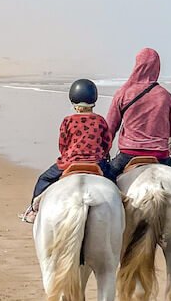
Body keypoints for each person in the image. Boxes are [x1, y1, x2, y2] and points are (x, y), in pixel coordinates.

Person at [21, 79, 112, 221]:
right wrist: (102, 154)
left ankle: (33, 211)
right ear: (94, 99)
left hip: (70, 163)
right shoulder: (100, 120)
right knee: (114, 183)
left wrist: (68, 155)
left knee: (44, 179)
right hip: (96, 163)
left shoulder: (68, 121)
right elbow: (107, 142)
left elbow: (62, 144)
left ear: (73, 99)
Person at [104, 47, 171, 180]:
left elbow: (110, 129)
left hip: (128, 154)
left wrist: (104, 151)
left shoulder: (123, 93)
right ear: (157, 67)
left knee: (106, 181)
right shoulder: (165, 96)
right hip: (160, 155)